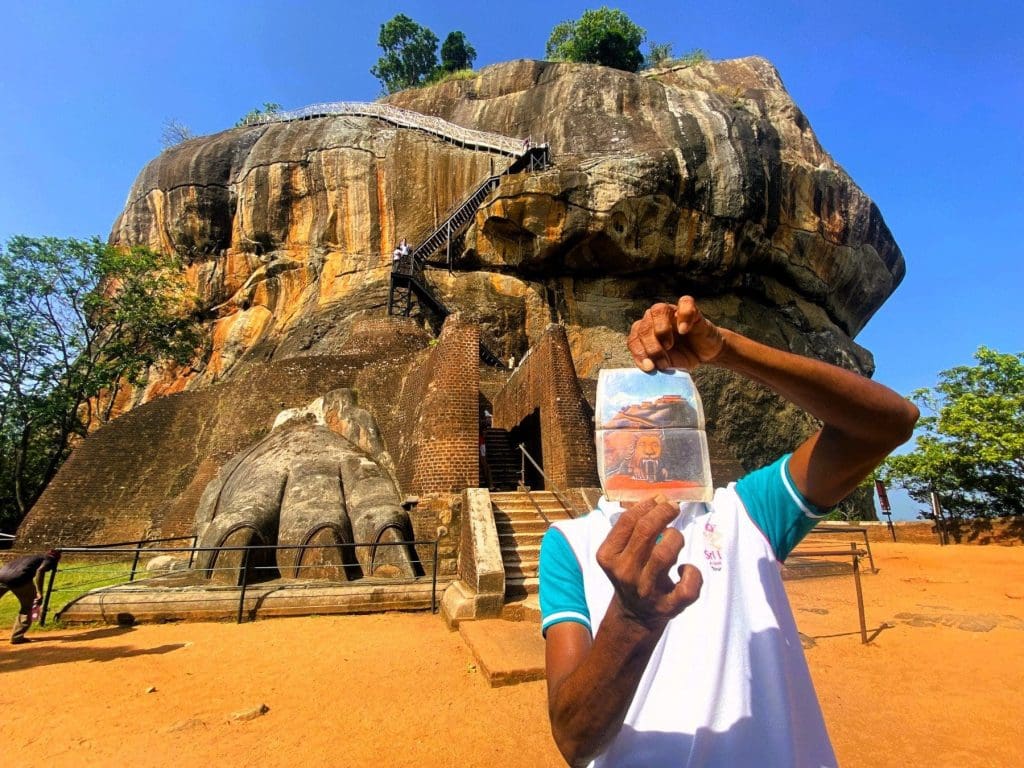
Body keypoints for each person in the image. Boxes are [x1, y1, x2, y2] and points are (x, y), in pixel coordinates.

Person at [539, 296, 918, 767]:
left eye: (662, 421)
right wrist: (633, 621)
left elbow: (889, 423)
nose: (645, 442)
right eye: (627, 424)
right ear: (603, 436)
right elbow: (574, 739)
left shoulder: (746, 512)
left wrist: (726, 350)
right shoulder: (570, 543)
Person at [0, 548, 62, 644]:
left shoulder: (33, 557)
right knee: (27, 607)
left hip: (2, 575)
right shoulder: (50, 560)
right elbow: (40, 571)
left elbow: (25, 570)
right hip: (18, 579)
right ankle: (17, 637)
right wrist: (40, 593)